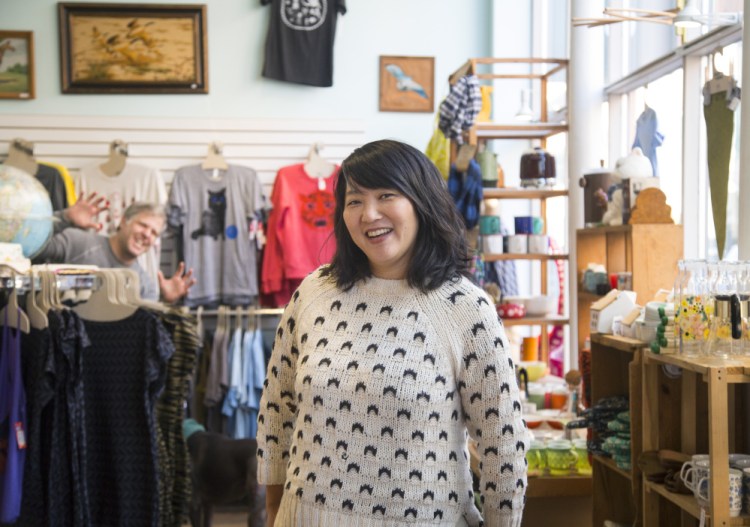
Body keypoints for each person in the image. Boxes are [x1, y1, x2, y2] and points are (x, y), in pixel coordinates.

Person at [256, 140, 528, 527]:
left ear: (421, 202)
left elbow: (503, 447)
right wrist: (273, 512)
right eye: (354, 201)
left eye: (386, 195)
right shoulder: (314, 293)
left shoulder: (466, 308)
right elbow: (277, 411)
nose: (369, 214)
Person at [33, 194, 195, 304]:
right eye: (143, 225)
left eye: (154, 232)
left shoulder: (145, 285)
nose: (147, 234)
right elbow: (32, 246)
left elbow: (144, 334)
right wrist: (64, 217)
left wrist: (163, 302)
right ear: (124, 222)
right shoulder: (77, 242)